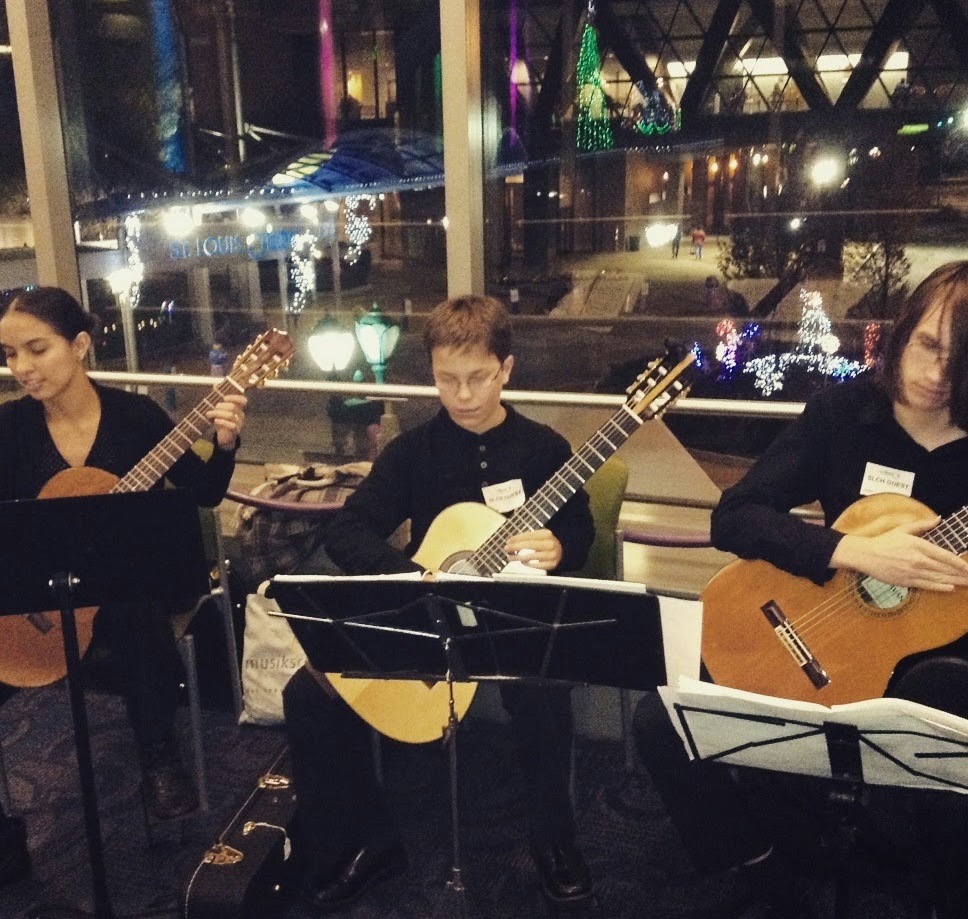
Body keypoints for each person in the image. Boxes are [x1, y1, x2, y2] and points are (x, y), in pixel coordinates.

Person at [632, 262, 968, 918]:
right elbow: (735, 517)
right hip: (817, 626)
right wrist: (854, 550)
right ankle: (764, 868)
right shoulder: (844, 414)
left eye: (959, 362)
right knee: (661, 723)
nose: (935, 374)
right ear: (904, 332)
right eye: (927, 345)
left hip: (931, 663)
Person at [282, 295, 596, 914]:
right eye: (446, 379)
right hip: (426, 612)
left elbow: (580, 528)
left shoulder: (542, 448)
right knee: (308, 695)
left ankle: (553, 839)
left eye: (478, 377)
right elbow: (348, 530)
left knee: (540, 691)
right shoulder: (413, 452)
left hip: (509, 615)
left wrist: (561, 546)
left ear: (506, 368)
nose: (463, 395)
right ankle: (370, 840)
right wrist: (413, 578)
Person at [0, 287, 247, 879]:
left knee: (136, 605)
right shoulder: (8, 428)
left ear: (80, 345)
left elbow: (204, 492)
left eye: (36, 349)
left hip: (120, 600)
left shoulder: (136, 417)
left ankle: (158, 757)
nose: (22, 367)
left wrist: (226, 444)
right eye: (9, 355)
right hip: (36, 601)